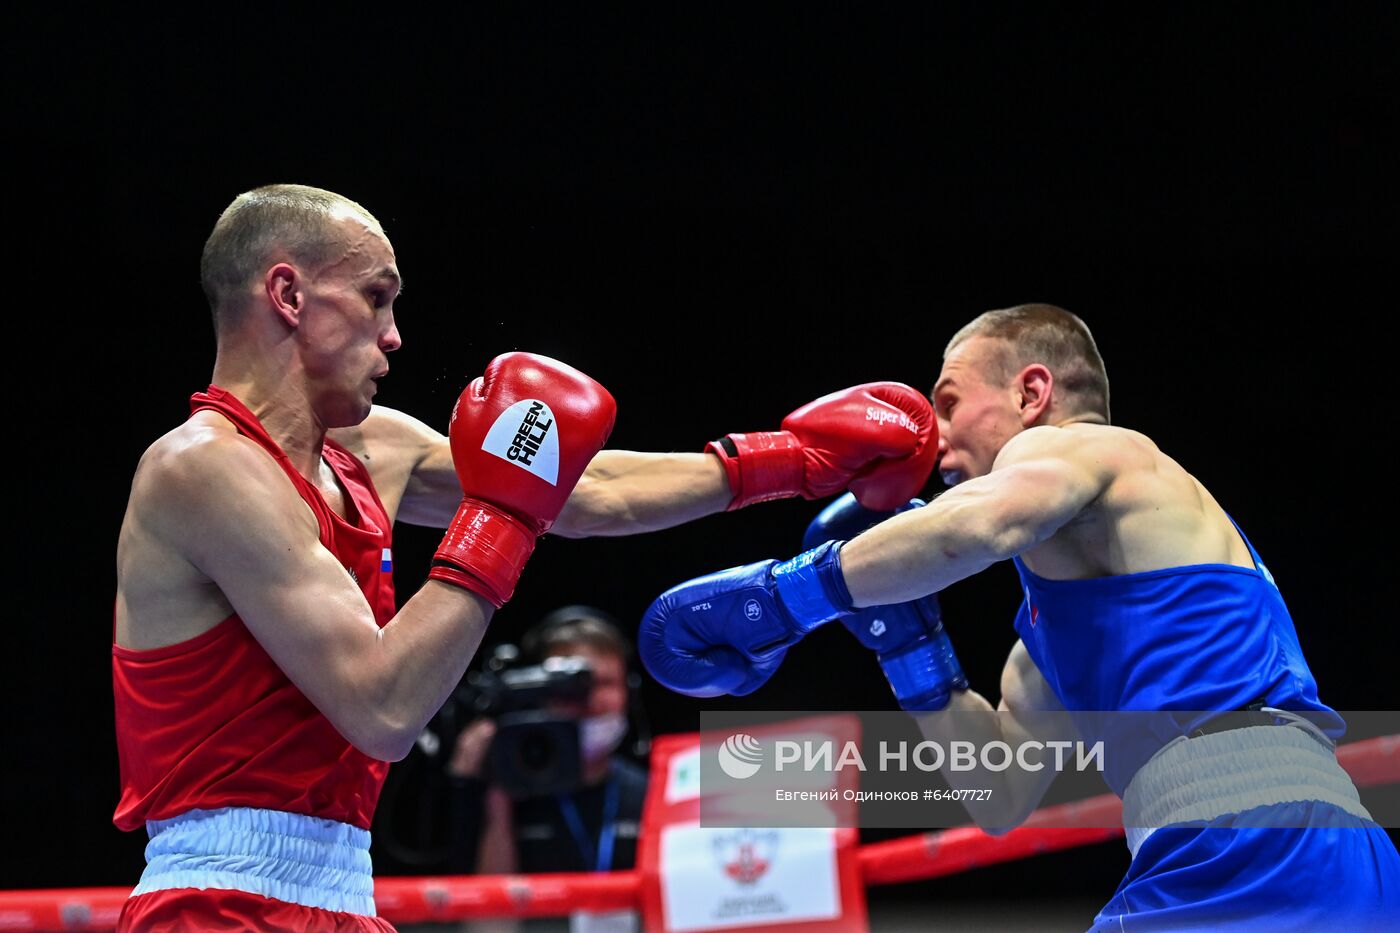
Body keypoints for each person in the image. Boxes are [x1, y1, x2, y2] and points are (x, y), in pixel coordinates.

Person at [111, 183, 938, 931]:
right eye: (376, 297)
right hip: (217, 901)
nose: (395, 335)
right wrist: (501, 513)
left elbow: (584, 493)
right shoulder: (203, 467)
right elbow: (383, 705)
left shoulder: (370, 448)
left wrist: (787, 461)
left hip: (341, 892)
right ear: (288, 293)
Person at [640, 303, 1400, 931]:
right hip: (1294, 847)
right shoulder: (1064, 625)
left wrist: (782, 596)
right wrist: (911, 644)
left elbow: (975, 526)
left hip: (1251, 844)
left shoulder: (1102, 450)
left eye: (948, 401)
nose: (930, 438)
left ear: (1031, 394)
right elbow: (999, 790)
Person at [448, 607, 647, 933]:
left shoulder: (654, 792)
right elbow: (488, 929)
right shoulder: (506, 795)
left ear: (629, 693)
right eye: (573, 685)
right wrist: (493, 797)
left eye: (605, 683)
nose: (589, 700)